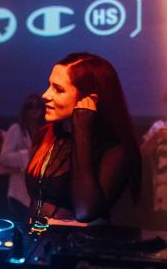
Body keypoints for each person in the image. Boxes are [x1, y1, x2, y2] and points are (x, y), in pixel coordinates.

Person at [26, 53, 141, 225]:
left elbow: (86, 211)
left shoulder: (115, 151)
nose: (45, 95)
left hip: (81, 249)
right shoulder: (47, 136)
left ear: (89, 99)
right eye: (49, 86)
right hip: (39, 243)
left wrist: (82, 129)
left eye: (58, 89)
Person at [0, 94, 45, 223]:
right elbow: (4, 159)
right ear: (25, 110)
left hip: (40, 195)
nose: (35, 110)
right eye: (30, 106)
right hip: (19, 194)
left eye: (38, 106)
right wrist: (28, 154)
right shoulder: (16, 130)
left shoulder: (46, 131)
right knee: (21, 233)